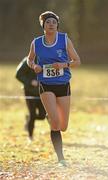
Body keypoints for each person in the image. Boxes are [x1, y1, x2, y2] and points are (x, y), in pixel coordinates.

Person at [27, 11, 81, 166]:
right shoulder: (36, 42)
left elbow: (77, 61)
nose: (51, 24)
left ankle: (51, 116)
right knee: (55, 122)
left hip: (63, 85)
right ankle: (61, 158)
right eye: (48, 22)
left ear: (57, 25)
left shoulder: (64, 40)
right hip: (46, 84)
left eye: (54, 22)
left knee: (63, 126)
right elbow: (29, 60)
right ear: (43, 25)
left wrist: (64, 65)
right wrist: (35, 65)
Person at [16, 57, 46, 140]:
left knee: (42, 115)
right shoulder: (27, 61)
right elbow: (18, 74)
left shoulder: (47, 59)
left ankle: (28, 118)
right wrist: (30, 81)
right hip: (30, 92)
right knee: (32, 114)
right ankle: (30, 136)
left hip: (43, 92)